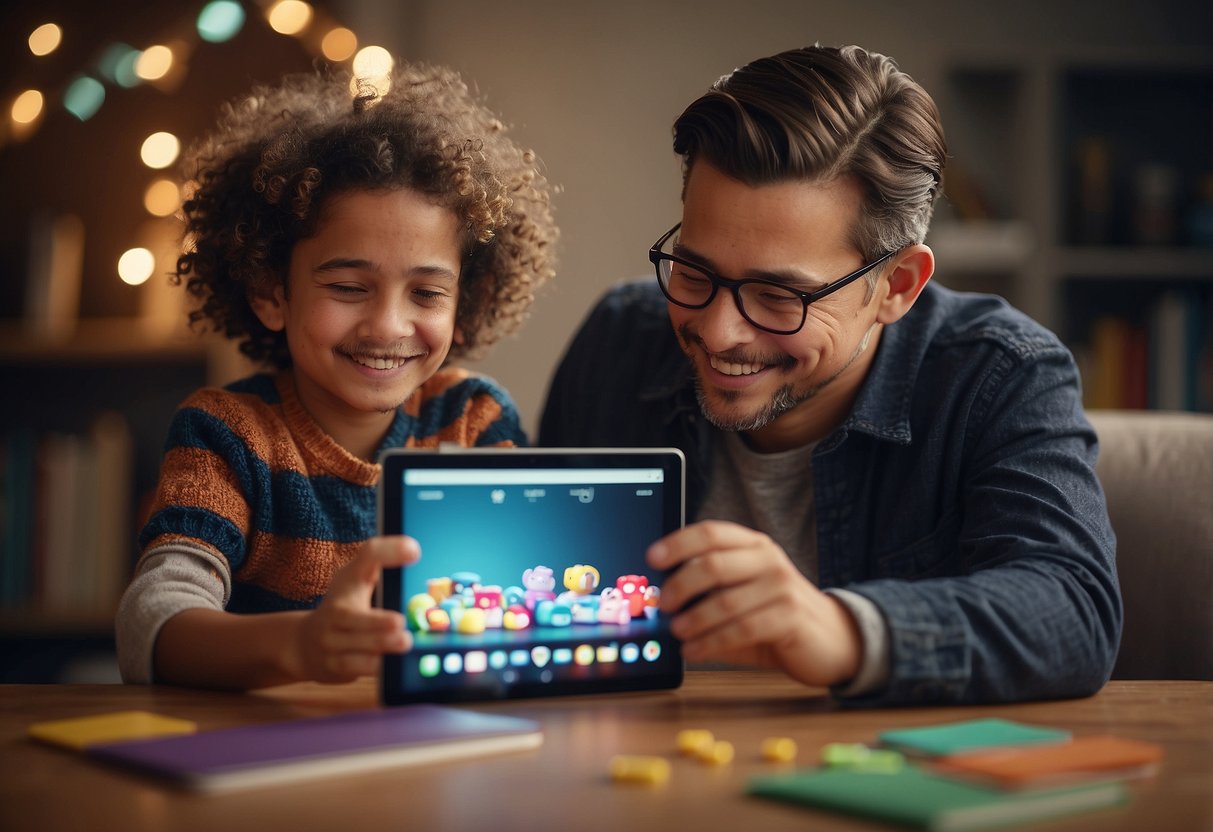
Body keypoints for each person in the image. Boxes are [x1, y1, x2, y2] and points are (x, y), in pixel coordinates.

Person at [539, 44, 1119, 705]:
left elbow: (1072, 611)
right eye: (694, 272)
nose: (720, 331)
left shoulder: (1001, 374)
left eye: (779, 296)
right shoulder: (619, 340)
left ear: (896, 286)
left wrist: (841, 628)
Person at [116, 62, 557, 689]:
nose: (387, 325)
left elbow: (524, 602)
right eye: (349, 287)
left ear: (468, 304)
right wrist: (302, 644)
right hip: (266, 756)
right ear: (272, 292)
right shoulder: (226, 434)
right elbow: (150, 627)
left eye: (427, 293)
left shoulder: (474, 421)